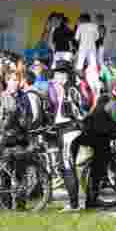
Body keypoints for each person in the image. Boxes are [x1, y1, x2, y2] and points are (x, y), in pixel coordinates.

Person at [47, 60, 92, 212]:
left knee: (67, 166)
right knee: (66, 165)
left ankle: (74, 204)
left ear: (64, 74)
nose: (55, 77)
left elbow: (78, 109)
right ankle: (73, 202)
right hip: (70, 130)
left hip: (69, 130)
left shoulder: (70, 88)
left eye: (57, 73)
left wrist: (71, 116)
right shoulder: (69, 87)